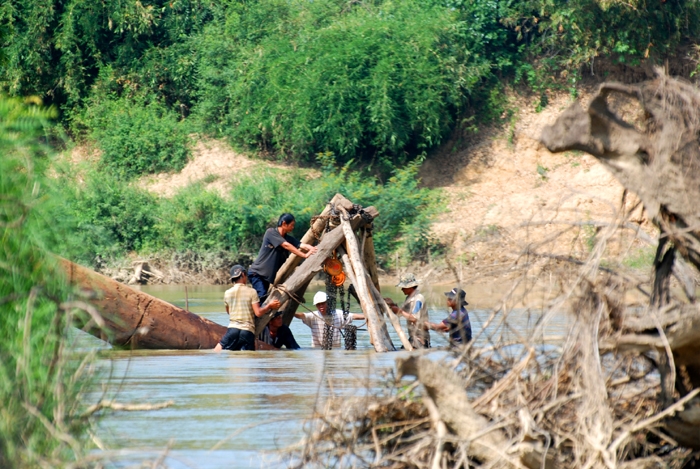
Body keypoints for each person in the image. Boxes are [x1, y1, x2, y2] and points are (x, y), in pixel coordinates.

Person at [247, 213, 318, 301]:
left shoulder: (288, 238)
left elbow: (302, 245)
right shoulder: (271, 232)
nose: (293, 227)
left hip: (266, 277)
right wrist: (304, 255)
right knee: (261, 297)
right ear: (284, 223)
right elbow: (286, 245)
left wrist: (314, 249)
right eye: (291, 225)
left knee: (264, 299)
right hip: (257, 273)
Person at [214, 265, 281, 351]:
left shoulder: (227, 293)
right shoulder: (252, 291)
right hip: (247, 330)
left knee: (219, 348)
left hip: (233, 329)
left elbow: (229, 312)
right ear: (243, 274)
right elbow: (258, 313)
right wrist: (269, 306)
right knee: (248, 357)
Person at [295, 291, 364, 349]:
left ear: (327, 303)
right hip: (317, 351)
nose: (321, 306)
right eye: (318, 304)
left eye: (323, 303)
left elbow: (353, 316)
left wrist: (367, 316)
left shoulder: (338, 314)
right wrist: (293, 313)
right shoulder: (314, 316)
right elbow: (302, 315)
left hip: (335, 350)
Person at [388, 273, 430, 349]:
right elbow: (402, 313)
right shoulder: (409, 298)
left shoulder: (418, 299)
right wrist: (392, 305)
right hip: (413, 337)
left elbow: (414, 318)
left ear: (410, 287)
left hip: (420, 338)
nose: (402, 289)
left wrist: (399, 311)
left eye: (404, 287)